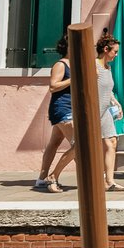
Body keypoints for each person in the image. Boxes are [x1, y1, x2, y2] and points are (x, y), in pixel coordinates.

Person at [50, 34, 124, 192]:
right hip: (91, 112)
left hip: (104, 111)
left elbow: (106, 88)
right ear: (106, 50)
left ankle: (109, 181)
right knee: (79, 147)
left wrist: (115, 101)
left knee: (111, 142)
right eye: (115, 51)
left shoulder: (108, 67)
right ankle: (53, 176)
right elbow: (81, 87)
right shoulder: (92, 65)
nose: (116, 55)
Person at [33, 36, 75, 193]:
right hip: (63, 109)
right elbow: (53, 86)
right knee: (78, 145)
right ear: (68, 47)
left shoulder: (74, 64)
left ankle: (41, 179)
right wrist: (73, 79)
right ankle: (53, 176)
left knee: (54, 143)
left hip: (70, 109)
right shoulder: (61, 65)